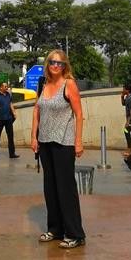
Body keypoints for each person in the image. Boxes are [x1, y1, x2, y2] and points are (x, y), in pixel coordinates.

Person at [31, 49, 85, 249]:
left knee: (65, 188)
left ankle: (75, 233)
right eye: (53, 62)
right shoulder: (44, 85)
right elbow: (37, 110)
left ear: (65, 66)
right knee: (50, 187)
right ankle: (55, 229)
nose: (55, 66)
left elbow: (79, 115)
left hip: (64, 142)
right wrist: (33, 136)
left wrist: (78, 141)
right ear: (47, 64)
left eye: (60, 63)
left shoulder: (69, 84)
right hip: (45, 141)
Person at [0, 82, 19, 159]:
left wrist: (13, 112)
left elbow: (10, 104)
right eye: (5, 86)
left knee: (10, 136)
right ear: (1, 87)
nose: (7, 88)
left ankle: (12, 153)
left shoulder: (8, 95)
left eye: (7, 86)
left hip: (8, 118)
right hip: (0, 119)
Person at [121, 84, 131, 157]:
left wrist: (128, 121)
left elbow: (130, 111)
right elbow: (123, 104)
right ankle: (130, 149)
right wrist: (122, 96)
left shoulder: (130, 98)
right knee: (130, 133)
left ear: (127, 90)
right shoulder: (128, 97)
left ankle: (129, 149)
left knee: (126, 131)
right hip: (130, 119)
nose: (122, 90)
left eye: (123, 89)